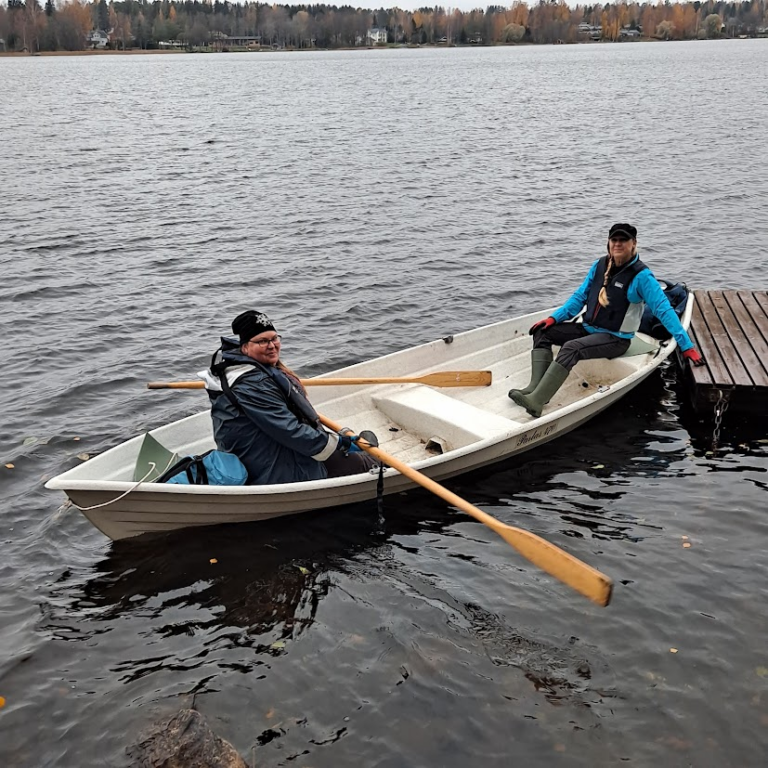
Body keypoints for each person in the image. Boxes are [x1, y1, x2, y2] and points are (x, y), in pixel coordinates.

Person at [508, 223, 705, 418]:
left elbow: (664, 310)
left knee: (572, 348)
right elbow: (579, 298)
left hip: (616, 339)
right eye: (614, 240)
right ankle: (535, 389)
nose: (618, 244)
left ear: (634, 243)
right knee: (542, 332)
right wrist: (553, 319)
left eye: (623, 240)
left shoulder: (642, 277)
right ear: (608, 243)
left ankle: (536, 403)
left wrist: (686, 346)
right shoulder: (599, 265)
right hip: (588, 329)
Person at [198, 310, 378, 485]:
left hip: (255, 451)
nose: (271, 345)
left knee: (337, 449)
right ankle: (372, 462)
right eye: (262, 341)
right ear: (245, 347)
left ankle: (356, 452)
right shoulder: (254, 384)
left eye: (274, 338)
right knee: (363, 464)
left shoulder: (237, 368)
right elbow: (290, 431)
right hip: (271, 468)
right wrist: (340, 442)